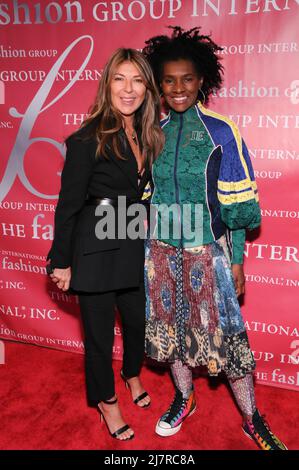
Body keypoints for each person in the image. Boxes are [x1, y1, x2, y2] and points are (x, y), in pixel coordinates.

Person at [142, 27, 287, 450]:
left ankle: (251, 417)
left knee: (228, 340)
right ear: (159, 84)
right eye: (168, 80)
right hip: (161, 252)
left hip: (209, 252)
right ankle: (184, 399)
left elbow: (238, 207)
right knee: (171, 333)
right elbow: (145, 197)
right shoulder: (154, 130)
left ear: (202, 78)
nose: (178, 88)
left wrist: (237, 259)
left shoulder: (222, 132)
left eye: (186, 78)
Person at [47, 48, 164, 441]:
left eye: (137, 81)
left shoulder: (147, 134)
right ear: (107, 84)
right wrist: (60, 262)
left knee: (136, 323)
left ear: (147, 89)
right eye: (120, 79)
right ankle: (106, 402)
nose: (128, 89)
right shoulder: (86, 138)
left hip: (130, 239)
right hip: (95, 248)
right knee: (98, 336)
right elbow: (68, 205)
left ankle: (131, 373)